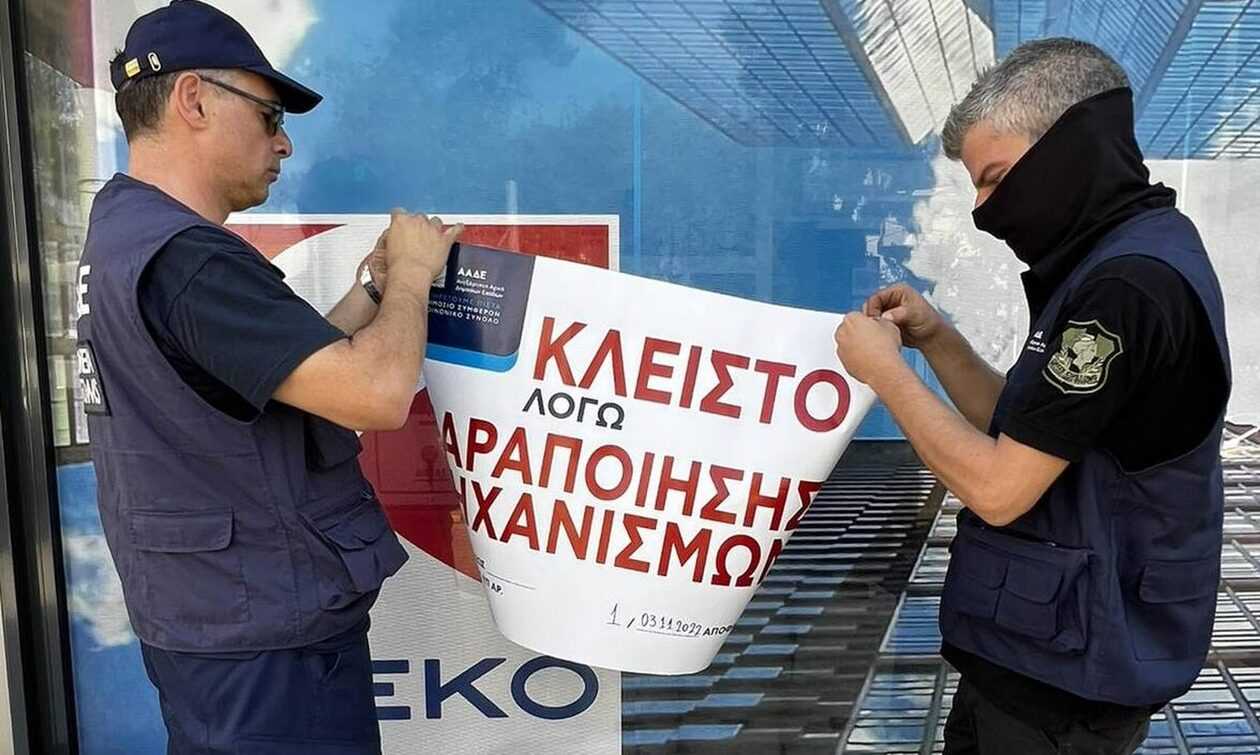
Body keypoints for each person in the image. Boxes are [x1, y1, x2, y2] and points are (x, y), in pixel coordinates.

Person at [74, 2, 461, 751]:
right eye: (269, 115)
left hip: (212, 623)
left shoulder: (127, 237)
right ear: (194, 100)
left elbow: (274, 373)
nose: (283, 142)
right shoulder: (189, 260)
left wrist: (373, 290)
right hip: (265, 640)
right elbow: (375, 393)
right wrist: (416, 273)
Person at [834, 38, 1230, 754]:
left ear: (1070, 147)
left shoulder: (1124, 288)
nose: (983, 211)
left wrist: (884, 373)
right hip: (1040, 657)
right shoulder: (1119, 258)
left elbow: (999, 488)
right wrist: (937, 339)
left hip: (1063, 690)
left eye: (995, 179)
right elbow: (1023, 430)